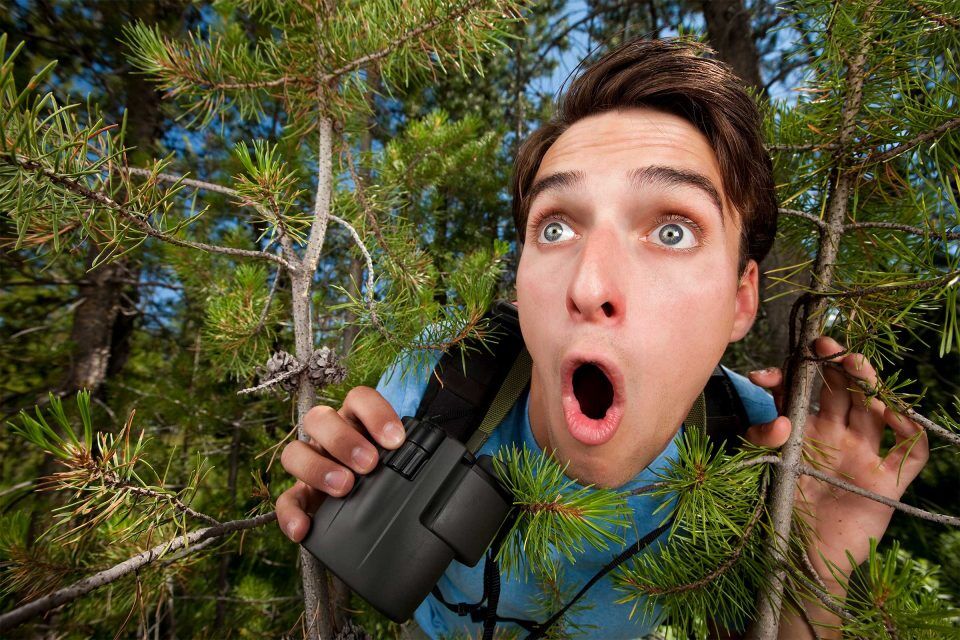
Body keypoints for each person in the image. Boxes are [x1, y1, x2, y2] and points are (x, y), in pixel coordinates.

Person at [276, 39, 929, 639]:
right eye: (556, 229)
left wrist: (816, 564)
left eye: (673, 230)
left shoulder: (759, 448)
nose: (589, 286)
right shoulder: (444, 373)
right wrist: (336, 477)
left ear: (740, 300)